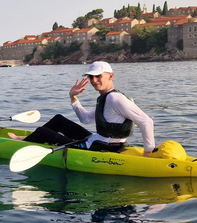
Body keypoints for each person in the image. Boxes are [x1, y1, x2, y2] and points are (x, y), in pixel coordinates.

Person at [10, 61, 155, 157]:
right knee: (59, 120)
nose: (94, 81)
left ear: (111, 76)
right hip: (99, 142)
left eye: (98, 76)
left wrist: (147, 153)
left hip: (102, 149)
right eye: (91, 77)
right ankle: (28, 139)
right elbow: (85, 119)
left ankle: (23, 143)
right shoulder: (107, 97)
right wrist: (73, 97)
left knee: (43, 132)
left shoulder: (114, 98)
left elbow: (146, 122)